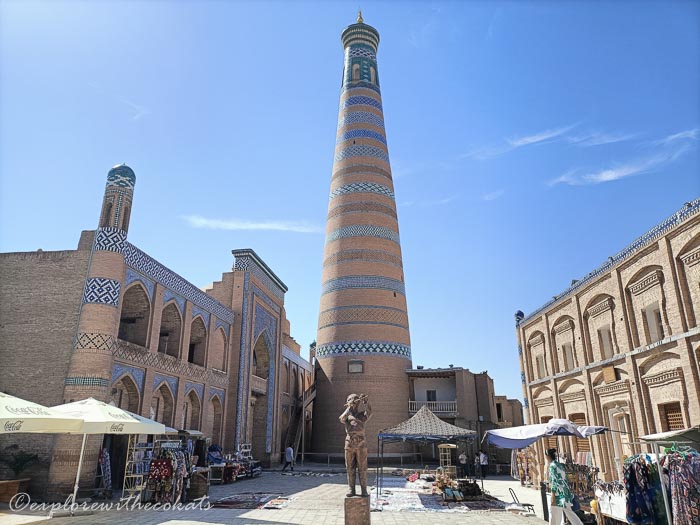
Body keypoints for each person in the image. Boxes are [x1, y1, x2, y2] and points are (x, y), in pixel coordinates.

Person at [339, 393, 372, 497]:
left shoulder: (362, 415)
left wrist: (366, 402)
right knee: (350, 468)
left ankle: (364, 490)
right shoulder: (347, 416)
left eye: (355, 400)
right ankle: (351, 489)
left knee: (362, 468)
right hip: (349, 442)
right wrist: (349, 407)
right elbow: (341, 418)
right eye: (351, 400)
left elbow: (369, 412)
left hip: (361, 442)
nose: (354, 402)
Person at [545, 448, 583, 525]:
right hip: (565, 493)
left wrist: (553, 496)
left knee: (555, 514)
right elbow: (565, 479)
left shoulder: (552, 466)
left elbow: (554, 482)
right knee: (570, 513)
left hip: (558, 494)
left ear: (548, 456)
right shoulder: (559, 465)